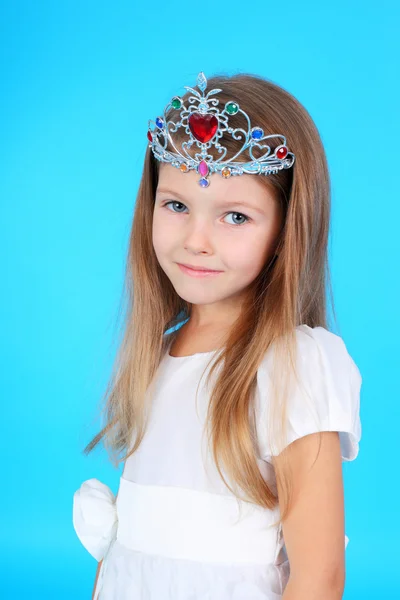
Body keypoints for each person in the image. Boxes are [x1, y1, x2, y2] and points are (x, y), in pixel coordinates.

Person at [72, 71, 362, 600]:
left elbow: (319, 577)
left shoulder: (294, 366)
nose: (196, 241)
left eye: (235, 216)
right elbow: (128, 557)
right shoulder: (157, 355)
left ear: (284, 232)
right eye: (177, 206)